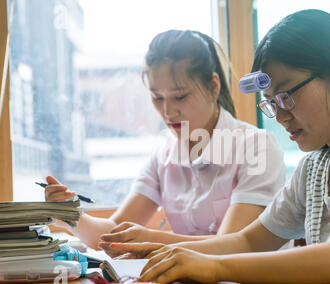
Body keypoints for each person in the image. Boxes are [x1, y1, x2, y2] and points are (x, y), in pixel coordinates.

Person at [102, 10, 330, 284]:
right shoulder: (314, 169)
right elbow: (248, 242)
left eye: (287, 94)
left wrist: (215, 267)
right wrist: (163, 248)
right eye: (271, 102)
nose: (281, 115)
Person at [45, 30, 286, 252]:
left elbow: (234, 246)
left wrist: (152, 240)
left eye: (180, 96)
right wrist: (72, 215)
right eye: (157, 98)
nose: (168, 111)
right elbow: (113, 234)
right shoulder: (163, 155)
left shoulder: (257, 147)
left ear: (213, 87)